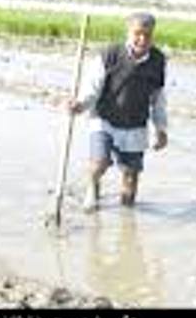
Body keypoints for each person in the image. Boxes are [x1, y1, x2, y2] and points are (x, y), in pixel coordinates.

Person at [66, 12, 168, 210]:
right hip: (104, 120)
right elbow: (92, 88)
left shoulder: (158, 61)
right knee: (100, 163)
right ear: (128, 33)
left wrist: (161, 129)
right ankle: (93, 187)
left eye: (147, 35)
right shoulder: (110, 54)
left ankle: (127, 224)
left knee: (130, 183)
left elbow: (158, 99)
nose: (142, 39)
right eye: (137, 33)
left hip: (135, 125)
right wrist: (79, 105)